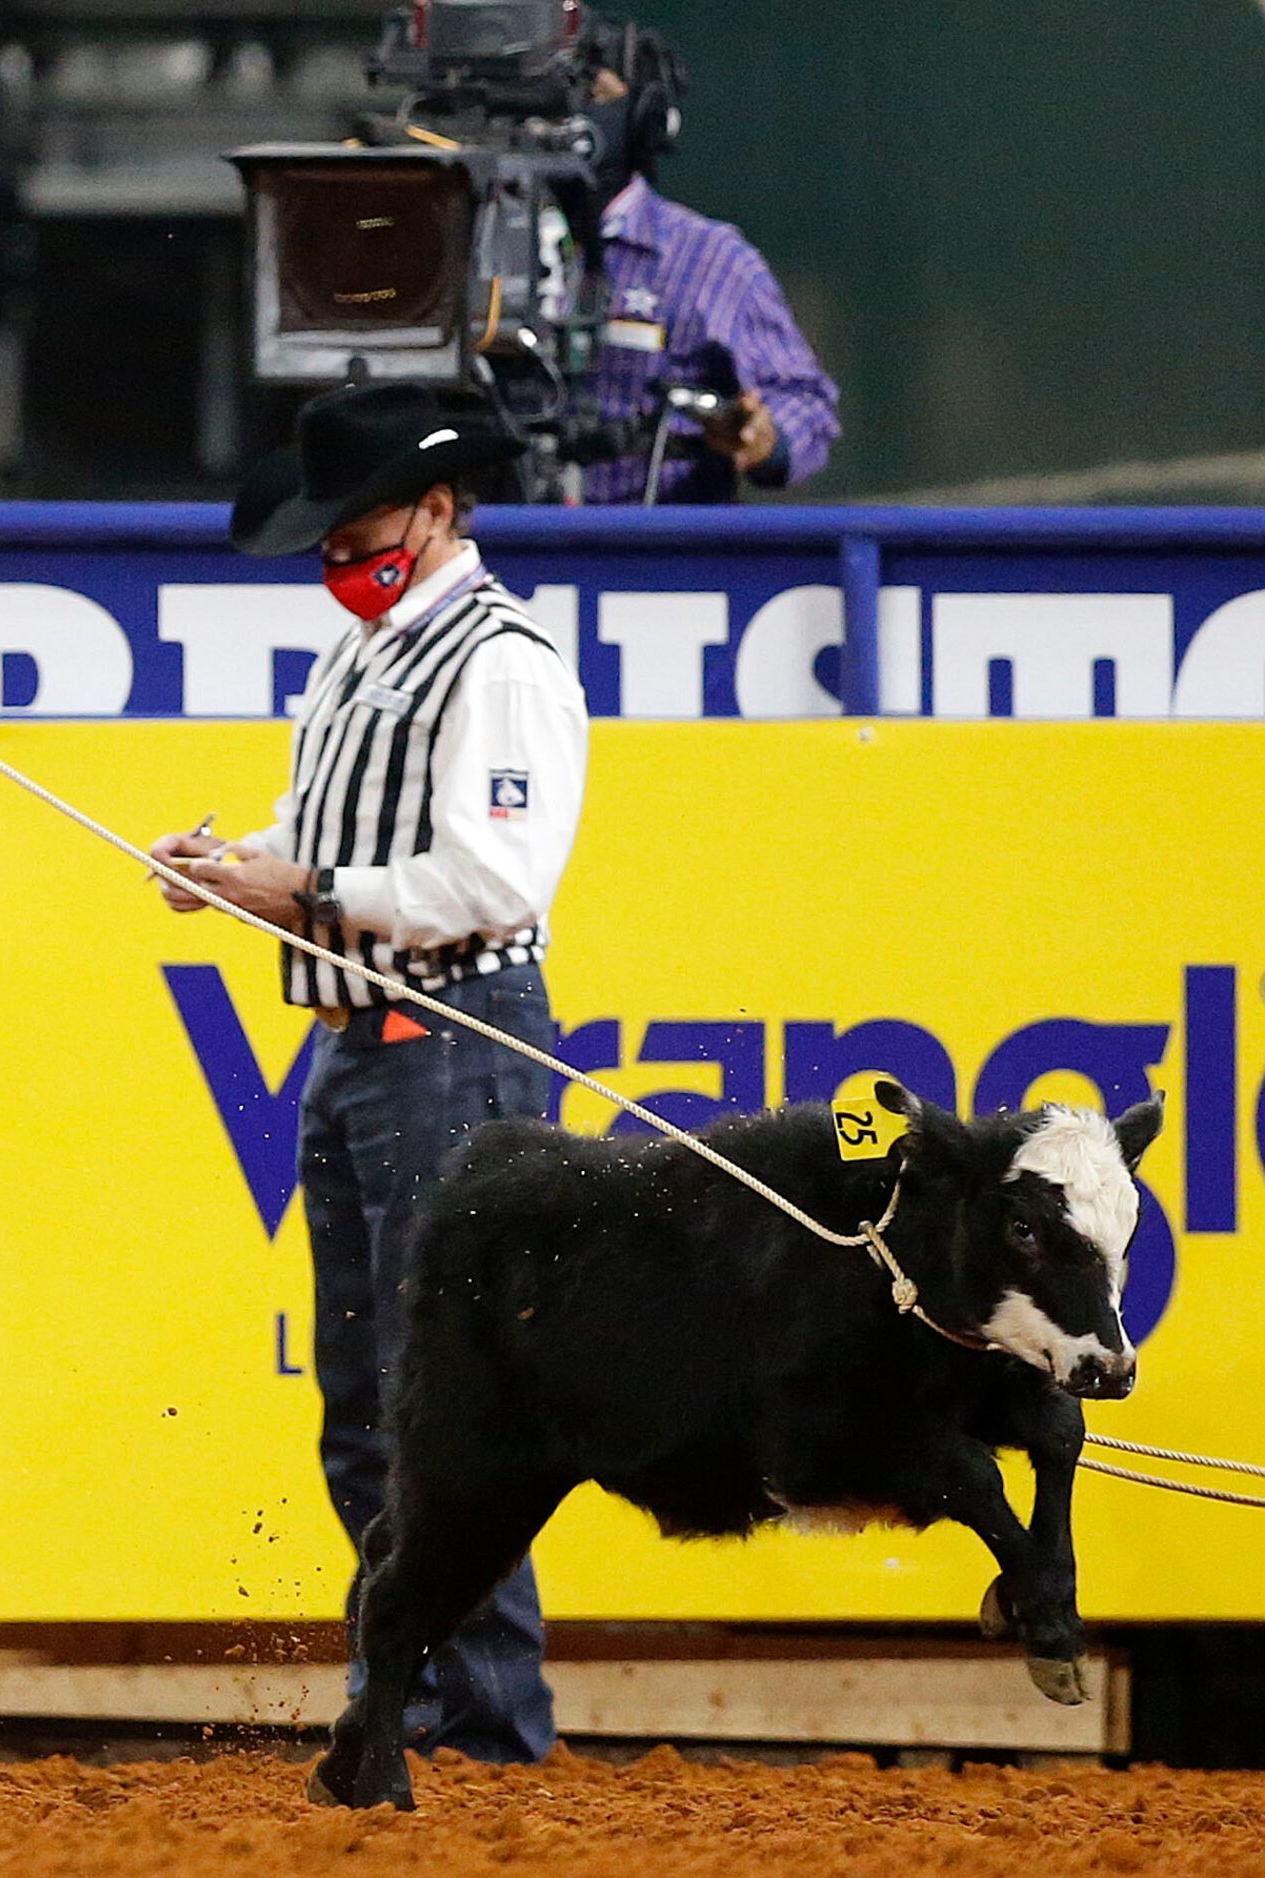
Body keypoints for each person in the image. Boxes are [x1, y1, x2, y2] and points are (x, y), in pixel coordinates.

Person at [154, 380, 589, 1764]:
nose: (339, 553)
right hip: (365, 1047)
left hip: (454, 1041)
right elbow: (332, 830)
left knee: (446, 1400)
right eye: (328, 530)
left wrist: (301, 881)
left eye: (357, 524)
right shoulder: (362, 659)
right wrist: (240, 871)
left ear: (436, 508)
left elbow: (495, 873)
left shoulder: (502, 658)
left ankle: (478, 1717)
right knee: (370, 1407)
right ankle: (410, 1695)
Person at [574, 14, 840, 505]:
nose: (562, 114)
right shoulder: (458, 242)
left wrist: (765, 440)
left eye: (590, 93)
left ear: (643, 116)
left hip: (642, 562)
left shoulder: (707, 260)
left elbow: (804, 402)